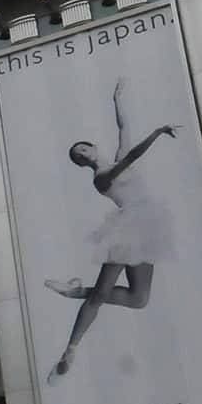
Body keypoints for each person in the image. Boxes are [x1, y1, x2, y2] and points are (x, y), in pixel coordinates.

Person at [43, 79, 180, 379]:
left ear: (93, 146)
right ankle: (70, 349)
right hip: (128, 228)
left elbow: (123, 127)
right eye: (79, 156)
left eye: (83, 148)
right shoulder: (101, 178)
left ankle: (74, 291)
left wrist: (116, 100)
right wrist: (157, 132)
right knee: (100, 295)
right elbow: (131, 157)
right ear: (83, 164)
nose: (83, 153)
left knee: (139, 299)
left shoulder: (114, 159)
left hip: (146, 227)